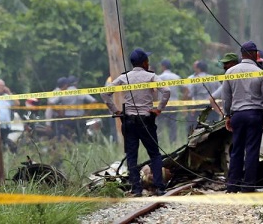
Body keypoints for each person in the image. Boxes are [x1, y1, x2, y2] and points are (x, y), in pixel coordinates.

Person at [102, 48, 170, 197]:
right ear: (145, 62)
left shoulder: (124, 77)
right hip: (146, 120)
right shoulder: (151, 76)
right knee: (155, 154)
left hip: (129, 122)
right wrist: (158, 109)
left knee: (132, 155)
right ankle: (160, 187)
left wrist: (116, 111)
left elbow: (104, 93)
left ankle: (136, 189)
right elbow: (166, 91)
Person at [222, 41, 263, 193]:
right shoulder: (260, 73)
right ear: (256, 54)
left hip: (237, 115)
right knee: (252, 150)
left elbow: (226, 97)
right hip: (254, 115)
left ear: (241, 54)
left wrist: (227, 115)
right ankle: (248, 186)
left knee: (236, 149)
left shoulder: (230, 72)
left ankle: (232, 185)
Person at [56, 75, 98, 140]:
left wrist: (59, 112)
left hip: (68, 119)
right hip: (80, 118)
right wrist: (87, 113)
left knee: (67, 137)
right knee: (80, 138)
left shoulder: (63, 93)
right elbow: (94, 101)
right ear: (76, 83)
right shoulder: (81, 92)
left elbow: (52, 102)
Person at [157, 59, 187, 143]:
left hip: (162, 105)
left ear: (163, 66)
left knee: (160, 125)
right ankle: (173, 142)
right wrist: (182, 100)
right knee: (173, 125)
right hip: (173, 104)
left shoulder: (159, 78)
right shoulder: (176, 77)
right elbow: (186, 89)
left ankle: (160, 143)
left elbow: (154, 91)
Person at [187, 60, 220, 127]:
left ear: (198, 68)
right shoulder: (214, 78)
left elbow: (190, 95)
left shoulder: (195, 80)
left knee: (200, 127)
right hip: (213, 106)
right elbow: (221, 91)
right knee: (213, 126)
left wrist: (191, 107)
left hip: (200, 108)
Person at [209, 53, 239, 117]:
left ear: (234, 64)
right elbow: (212, 99)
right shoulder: (227, 81)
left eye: (226, 63)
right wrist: (222, 113)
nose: (224, 66)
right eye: (224, 64)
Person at [0, 79, 19, 146]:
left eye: (2, 86)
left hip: (6, 125)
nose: (1, 88)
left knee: (5, 142)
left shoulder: (7, 96)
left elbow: (17, 104)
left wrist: (9, 92)